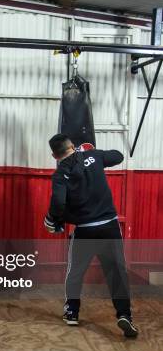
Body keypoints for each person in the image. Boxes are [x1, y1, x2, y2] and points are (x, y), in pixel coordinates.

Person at [44, 134, 138, 338]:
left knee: (75, 272)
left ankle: (72, 312)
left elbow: (59, 203)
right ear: (73, 146)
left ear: (54, 155)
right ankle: (124, 315)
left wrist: (53, 219)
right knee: (116, 273)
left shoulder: (61, 173)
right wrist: (89, 153)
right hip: (109, 227)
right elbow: (118, 156)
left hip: (85, 229)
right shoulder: (94, 156)